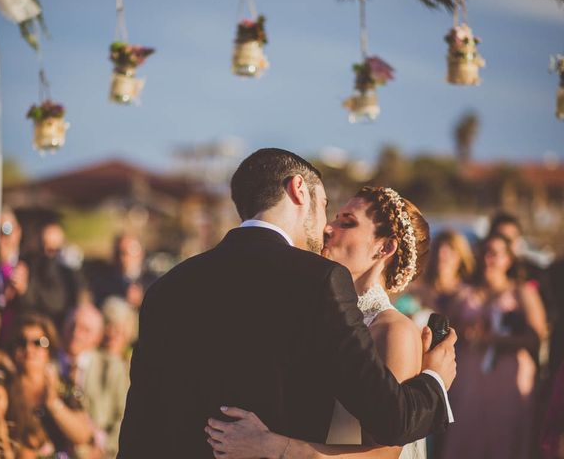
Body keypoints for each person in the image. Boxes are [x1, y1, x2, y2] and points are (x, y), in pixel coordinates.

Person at [117, 148, 456, 458]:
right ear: (298, 190)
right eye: (326, 208)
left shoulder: (167, 286)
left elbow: (139, 422)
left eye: (345, 221)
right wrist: (434, 382)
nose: (326, 227)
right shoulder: (318, 282)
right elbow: (393, 419)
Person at [205, 186, 435, 458]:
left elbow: (385, 454)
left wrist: (269, 445)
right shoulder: (315, 311)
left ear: (384, 247)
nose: (328, 228)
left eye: (347, 222)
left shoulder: (395, 331)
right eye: (335, 218)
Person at [440, 233, 548, 459]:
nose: (488, 258)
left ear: (508, 259)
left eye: (495, 254)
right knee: (467, 437)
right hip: (469, 380)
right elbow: (445, 329)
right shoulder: (465, 292)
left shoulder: (522, 292)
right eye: (485, 252)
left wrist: (494, 340)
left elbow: (536, 336)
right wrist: (465, 330)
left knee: (504, 440)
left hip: (507, 381)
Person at [8, 313, 94, 457]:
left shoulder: (64, 386)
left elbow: (83, 435)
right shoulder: (4, 386)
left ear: (49, 349)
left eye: (38, 343)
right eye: (21, 342)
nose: (29, 349)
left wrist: (53, 403)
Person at [61, 303, 129, 458]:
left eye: (85, 329)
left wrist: (104, 449)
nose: (76, 333)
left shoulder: (112, 367)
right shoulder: (48, 363)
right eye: (72, 325)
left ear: (98, 337)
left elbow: (124, 416)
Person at [20, 222, 88, 330]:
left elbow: (56, 303)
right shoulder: (30, 264)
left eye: (52, 250)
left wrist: (27, 290)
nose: (46, 254)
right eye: (43, 248)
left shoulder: (67, 272)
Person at [92, 234, 156, 309]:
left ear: (140, 254)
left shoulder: (153, 281)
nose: (123, 258)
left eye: (127, 253)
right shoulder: (103, 282)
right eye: (120, 253)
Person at [0, 206, 29, 344]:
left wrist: (24, 290)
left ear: (18, 231)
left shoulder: (34, 264)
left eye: (6, 229)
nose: (2, 237)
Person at [101, 296, 139, 363]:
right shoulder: (91, 357)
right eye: (107, 325)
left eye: (117, 327)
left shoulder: (134, 360)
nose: (111, 332)